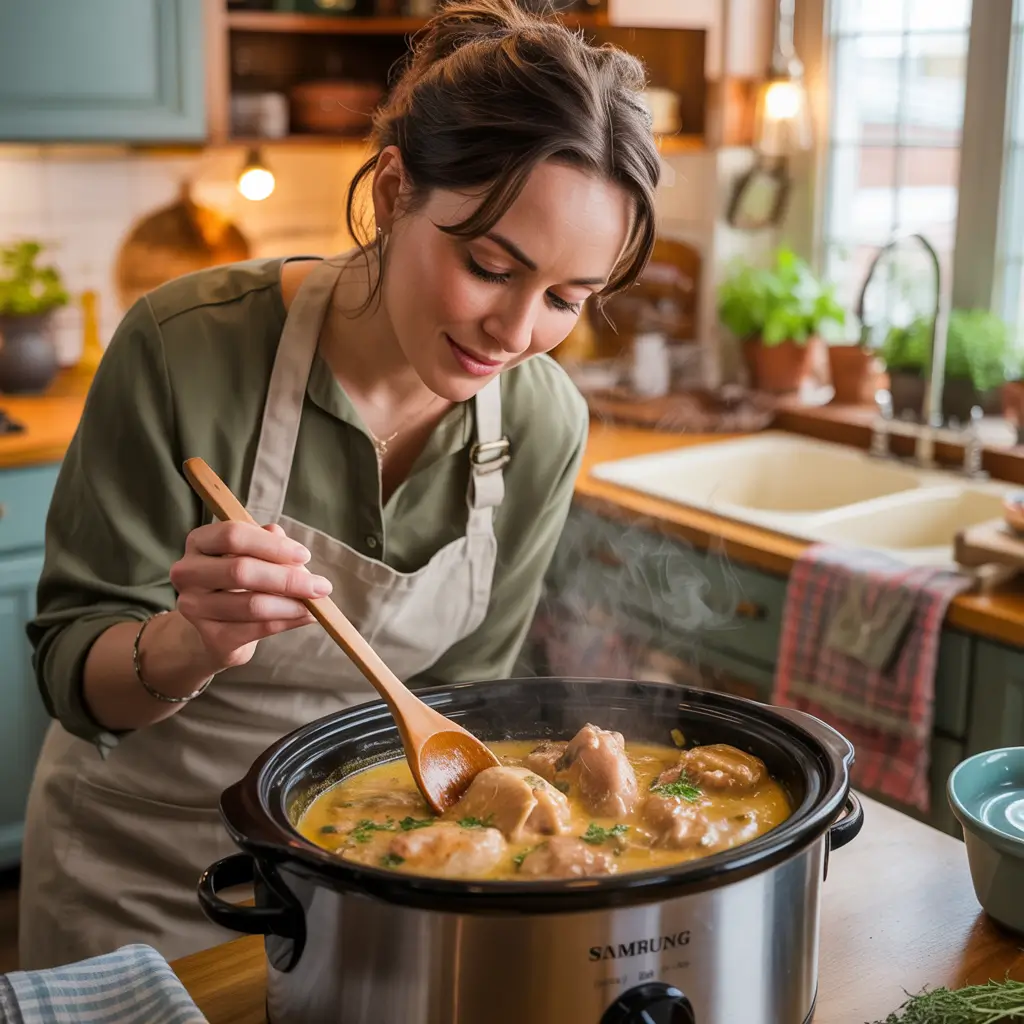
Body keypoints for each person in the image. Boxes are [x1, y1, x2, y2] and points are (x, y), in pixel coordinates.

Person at [18, 0, 661, 969]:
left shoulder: (541, 423)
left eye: (567, 299)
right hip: (136, 880)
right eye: (491, 266)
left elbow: (467, 716)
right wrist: (189, 643)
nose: (517, 332)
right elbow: (71, 669)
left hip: (358, 883)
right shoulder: (183, 349)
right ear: (396, 190)